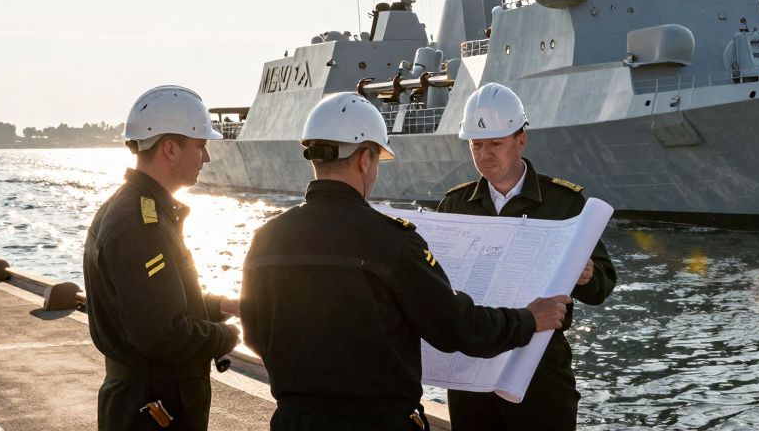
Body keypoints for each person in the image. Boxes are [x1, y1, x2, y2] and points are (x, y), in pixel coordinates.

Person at [240, 92, 572, 431]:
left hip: (294, 421)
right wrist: (528, 319)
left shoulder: (265, 238)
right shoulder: (392, 241)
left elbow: (253, 334)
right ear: (364, 159)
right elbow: (457, 327)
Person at [437, 83, 617, 431]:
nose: (484, 154)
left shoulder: (564, 203)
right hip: (471, 375)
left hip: (541, 372)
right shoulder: (454, 205)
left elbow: (602, 288)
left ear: (521, 140)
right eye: (476, 145)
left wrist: (587, 275)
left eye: (495, 143)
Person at [83, 85, 240, 431]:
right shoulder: (140, 224)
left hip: (147, 403)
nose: (206, 157)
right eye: (200, 146)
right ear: (170, 148)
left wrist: (220, 306)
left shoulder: (137, 210)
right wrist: (225, 336)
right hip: (152, 408)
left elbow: (152, 303)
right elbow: (162, 334)